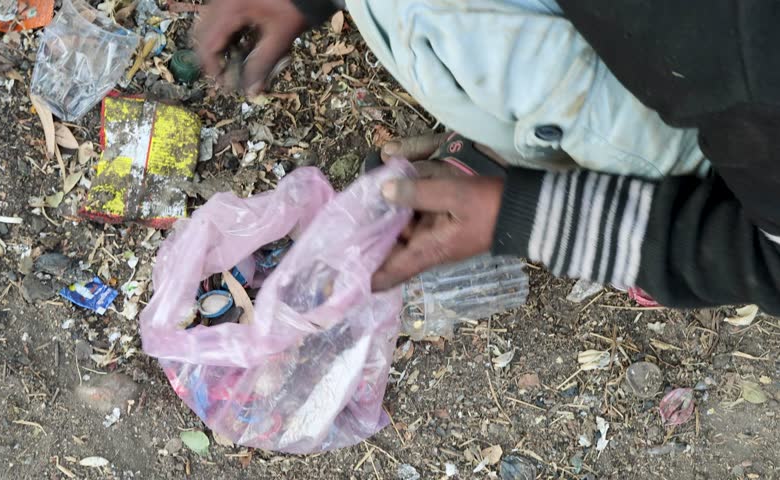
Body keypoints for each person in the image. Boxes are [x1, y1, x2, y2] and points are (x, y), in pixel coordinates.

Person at [195, 0, 780, 315]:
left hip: (739, 146)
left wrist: (531, 213)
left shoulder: (752, 75)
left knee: (434, 18)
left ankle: (648, 193)